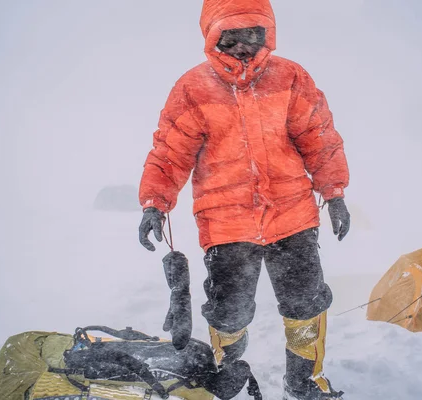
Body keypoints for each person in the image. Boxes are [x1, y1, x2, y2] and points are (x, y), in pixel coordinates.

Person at [138, 1, 350, 399]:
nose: (241, 47)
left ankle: (303, 382)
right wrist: (154, 203)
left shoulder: (289, 77)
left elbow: (319, 138)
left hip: (293, 217)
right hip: (226, 225)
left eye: (251, 35)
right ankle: (228, 378)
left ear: (266, 34)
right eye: (229, 38)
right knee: (228, 313)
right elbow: (170, 153)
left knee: (305, 305)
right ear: (212, 37)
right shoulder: (192, 88)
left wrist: (334, 193)